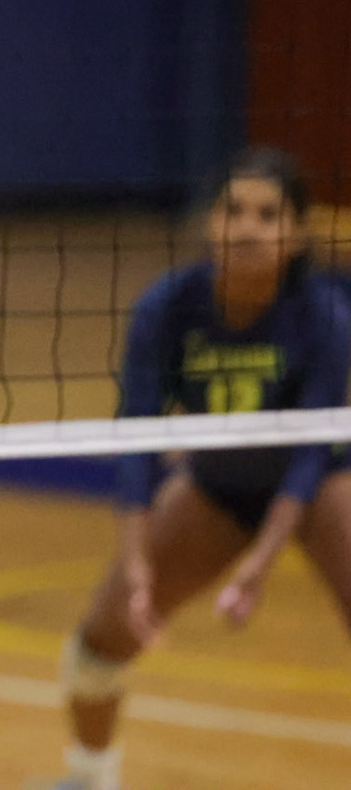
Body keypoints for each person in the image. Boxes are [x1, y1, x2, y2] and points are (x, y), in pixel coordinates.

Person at [45, 147, 351, 790]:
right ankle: (89, 775)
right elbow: (139, 437)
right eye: (232, 210)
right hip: (219, 487)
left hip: (320, 483)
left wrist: (261, 562)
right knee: (101, 640)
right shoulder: (168, 307)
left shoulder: (322, 315)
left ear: (295, 235)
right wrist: (134, 559)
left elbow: (308, 454)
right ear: (210, 223)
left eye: (268, 215)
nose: (246, 227)